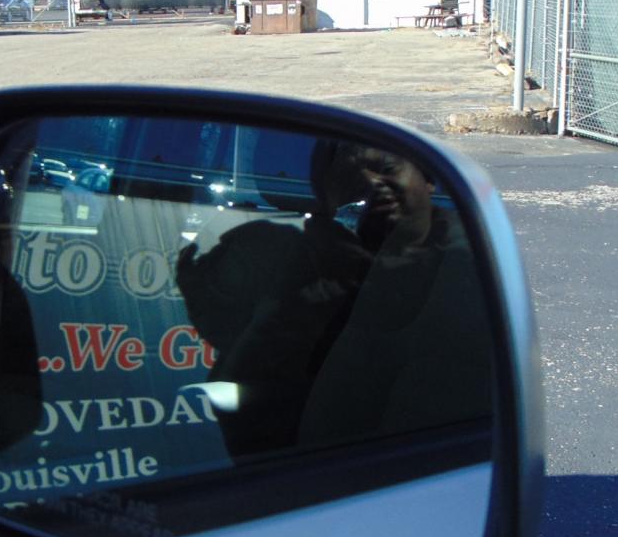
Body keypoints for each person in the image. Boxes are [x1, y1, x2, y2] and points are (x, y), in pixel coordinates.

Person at [176, 139, 493, 460]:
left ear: (428, 179)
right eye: (352, 180)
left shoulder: (468, 267)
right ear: (325, 196)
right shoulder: (299, 265)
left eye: (386, 169)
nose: (372, 185)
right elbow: (248, 397)